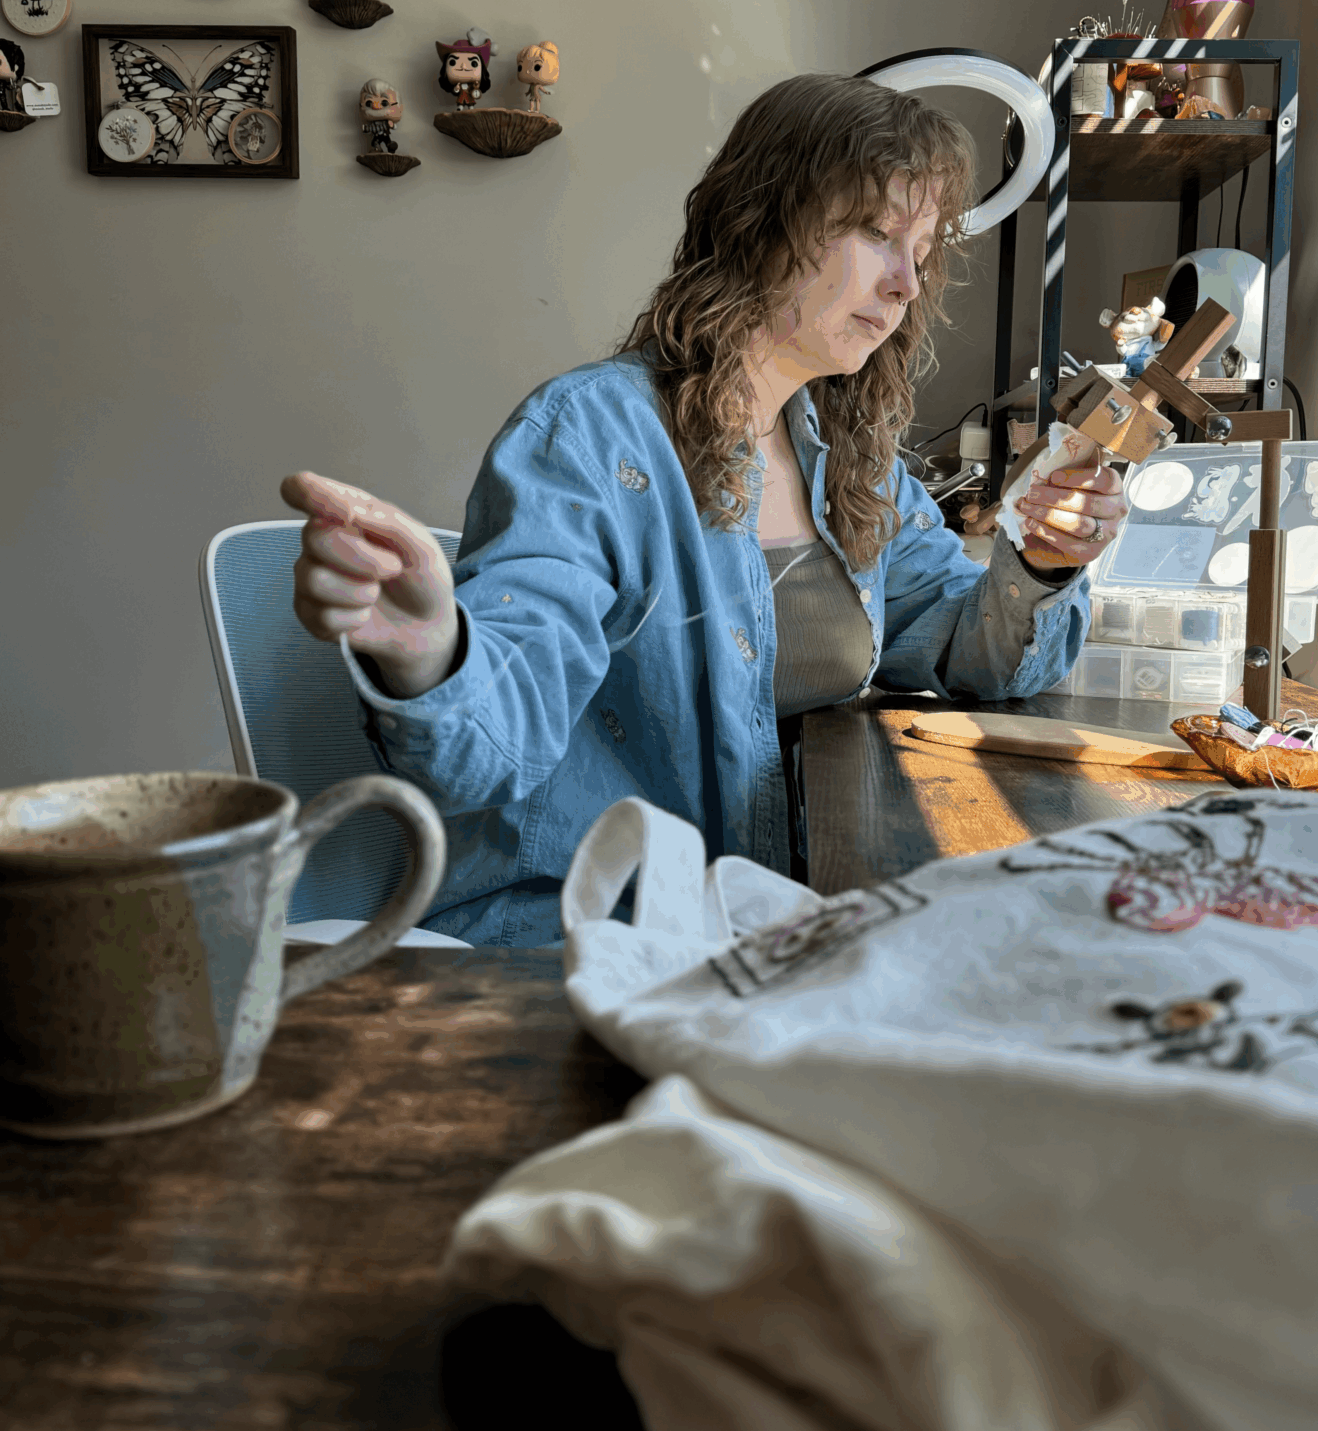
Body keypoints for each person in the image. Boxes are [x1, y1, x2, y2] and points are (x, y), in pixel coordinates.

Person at [283, 73, 1127, 947]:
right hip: (587, 933)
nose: (907, 284)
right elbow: (497, 732)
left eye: (921, 250)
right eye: (878, 234)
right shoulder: (590, 434)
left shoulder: (852, 458)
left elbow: (969, 649)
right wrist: (431, 652)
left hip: (765, 919)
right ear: (764, 224)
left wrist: (1043, 560)